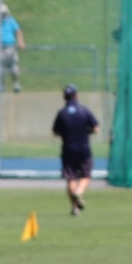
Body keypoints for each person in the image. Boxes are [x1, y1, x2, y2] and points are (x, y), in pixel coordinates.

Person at [52, 84, 99, 216]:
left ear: (64, 97)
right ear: (76, 95)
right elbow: (96, 128)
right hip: (84, 149)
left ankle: (75, 208)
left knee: (70, 178)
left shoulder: (62, 113)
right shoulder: (84, 111)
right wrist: (86, 132)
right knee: (86, 175)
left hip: (68, 149)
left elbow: (55, 131)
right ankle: (79, 192)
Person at [0, 4, 25, 93]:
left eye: (4, 13)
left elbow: (18, 31)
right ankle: (2, 86)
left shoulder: (10, 21)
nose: (3, 15)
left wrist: (20, 41)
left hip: (10, 48)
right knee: (0, 69)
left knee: (14, 68)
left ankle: (16, 83)